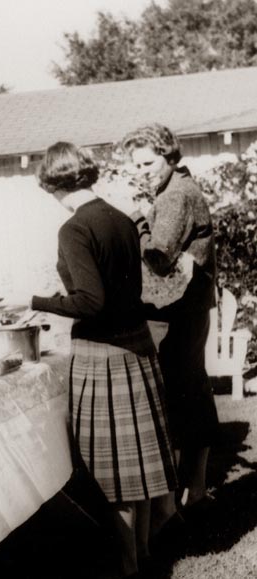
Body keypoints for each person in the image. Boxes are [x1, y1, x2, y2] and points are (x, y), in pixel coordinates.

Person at [6, 142, 177, 578]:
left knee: (114, 471)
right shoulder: (120, 218)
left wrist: (33, 300)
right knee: (135, 466)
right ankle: (142, 554)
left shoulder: (75, 228)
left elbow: (90, 302)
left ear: (50, 185)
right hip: (137, 349)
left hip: (103, 355)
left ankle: (128, 564)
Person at [118, 123, 219, 515]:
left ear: (168, 155)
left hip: (181, 309)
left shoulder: (176, 195)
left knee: (181, 394)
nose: (142, 171)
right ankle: (193, 488)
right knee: (192, 389)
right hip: (188, 307)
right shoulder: (180, 188)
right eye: (136, 165)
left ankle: (185, 491)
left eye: (148, 162)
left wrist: (139, 222)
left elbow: (159, 258)